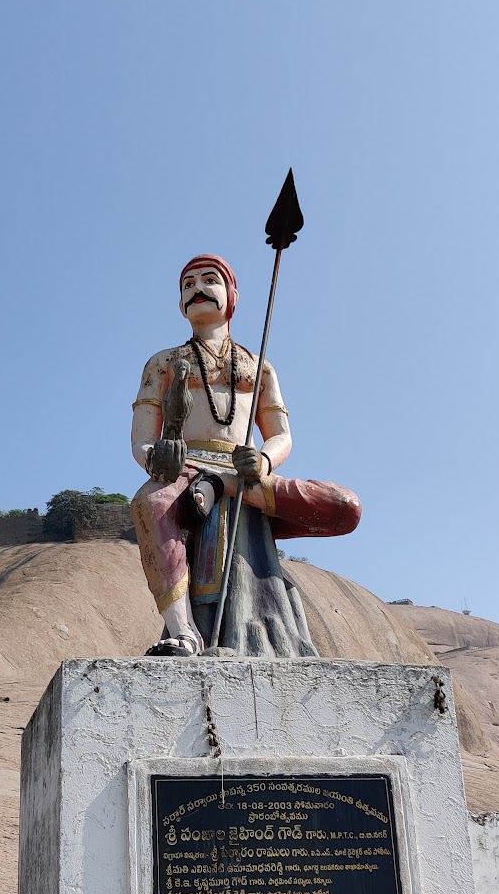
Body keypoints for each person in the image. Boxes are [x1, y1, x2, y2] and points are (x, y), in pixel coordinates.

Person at [131, 254, 361, 655]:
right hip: (186, 467)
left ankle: (226, 486)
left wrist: (265, 462)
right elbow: (141, 439)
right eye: (187, 285)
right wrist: (157, 459)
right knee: (149, 503)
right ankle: (184, 631)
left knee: (346, 507)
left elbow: (281, 435)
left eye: (208, 280)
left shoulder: (259, 367)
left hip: (244, 471)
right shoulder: (164, 363)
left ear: (232, 294)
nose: (196, 289)